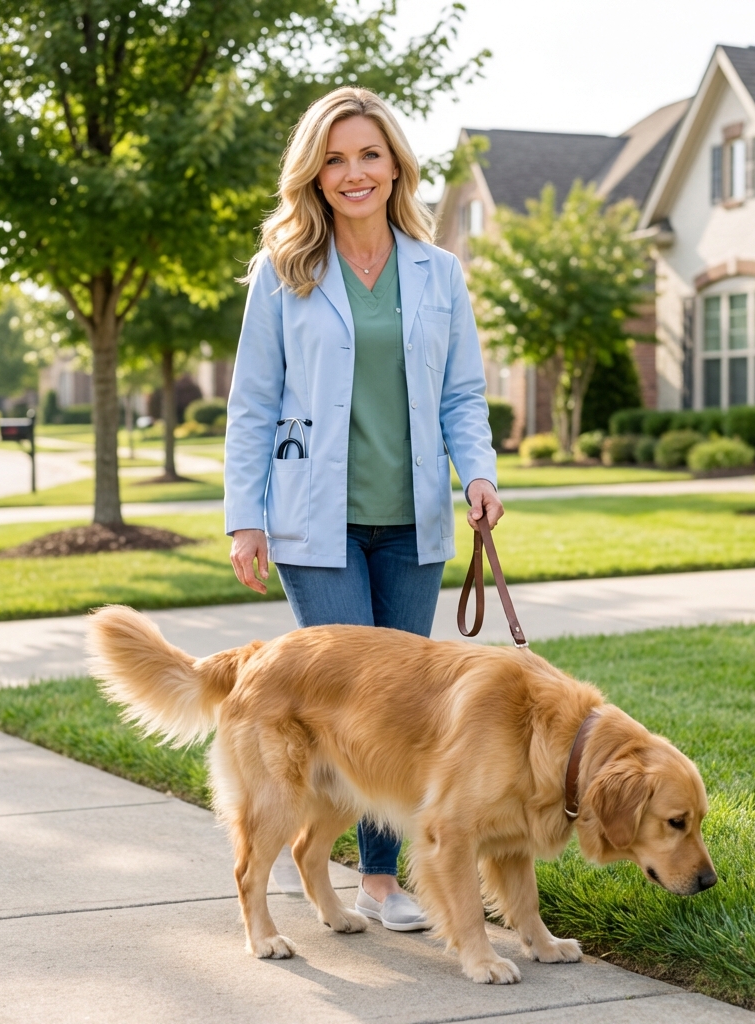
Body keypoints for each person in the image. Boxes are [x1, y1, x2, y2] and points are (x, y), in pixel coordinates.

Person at [224, 87, 504, 931]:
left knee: (406, 710)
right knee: (346, 704)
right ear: (315, 173)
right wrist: (247, 516)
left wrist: (479, 474)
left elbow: (462, 393)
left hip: (412, 522)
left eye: (369, 156)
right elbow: (252, 401)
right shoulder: (284, 270)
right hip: (317, 524)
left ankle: (379, 881)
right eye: (336, 158)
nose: (354, 173)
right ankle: (342, 871)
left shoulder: (437, 271)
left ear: (395, 167)